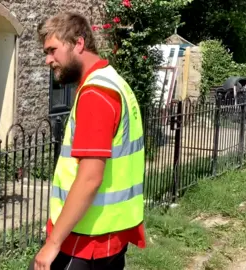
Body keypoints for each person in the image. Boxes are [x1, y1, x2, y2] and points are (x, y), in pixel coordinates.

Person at [30, 11, 146, 270]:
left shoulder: (95, 93)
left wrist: (53, 243)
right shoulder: (114, 82)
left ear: (78, 43)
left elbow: (90, 177)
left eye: (52, 50)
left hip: (84, 242)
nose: (48, 60)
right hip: (110, 235)